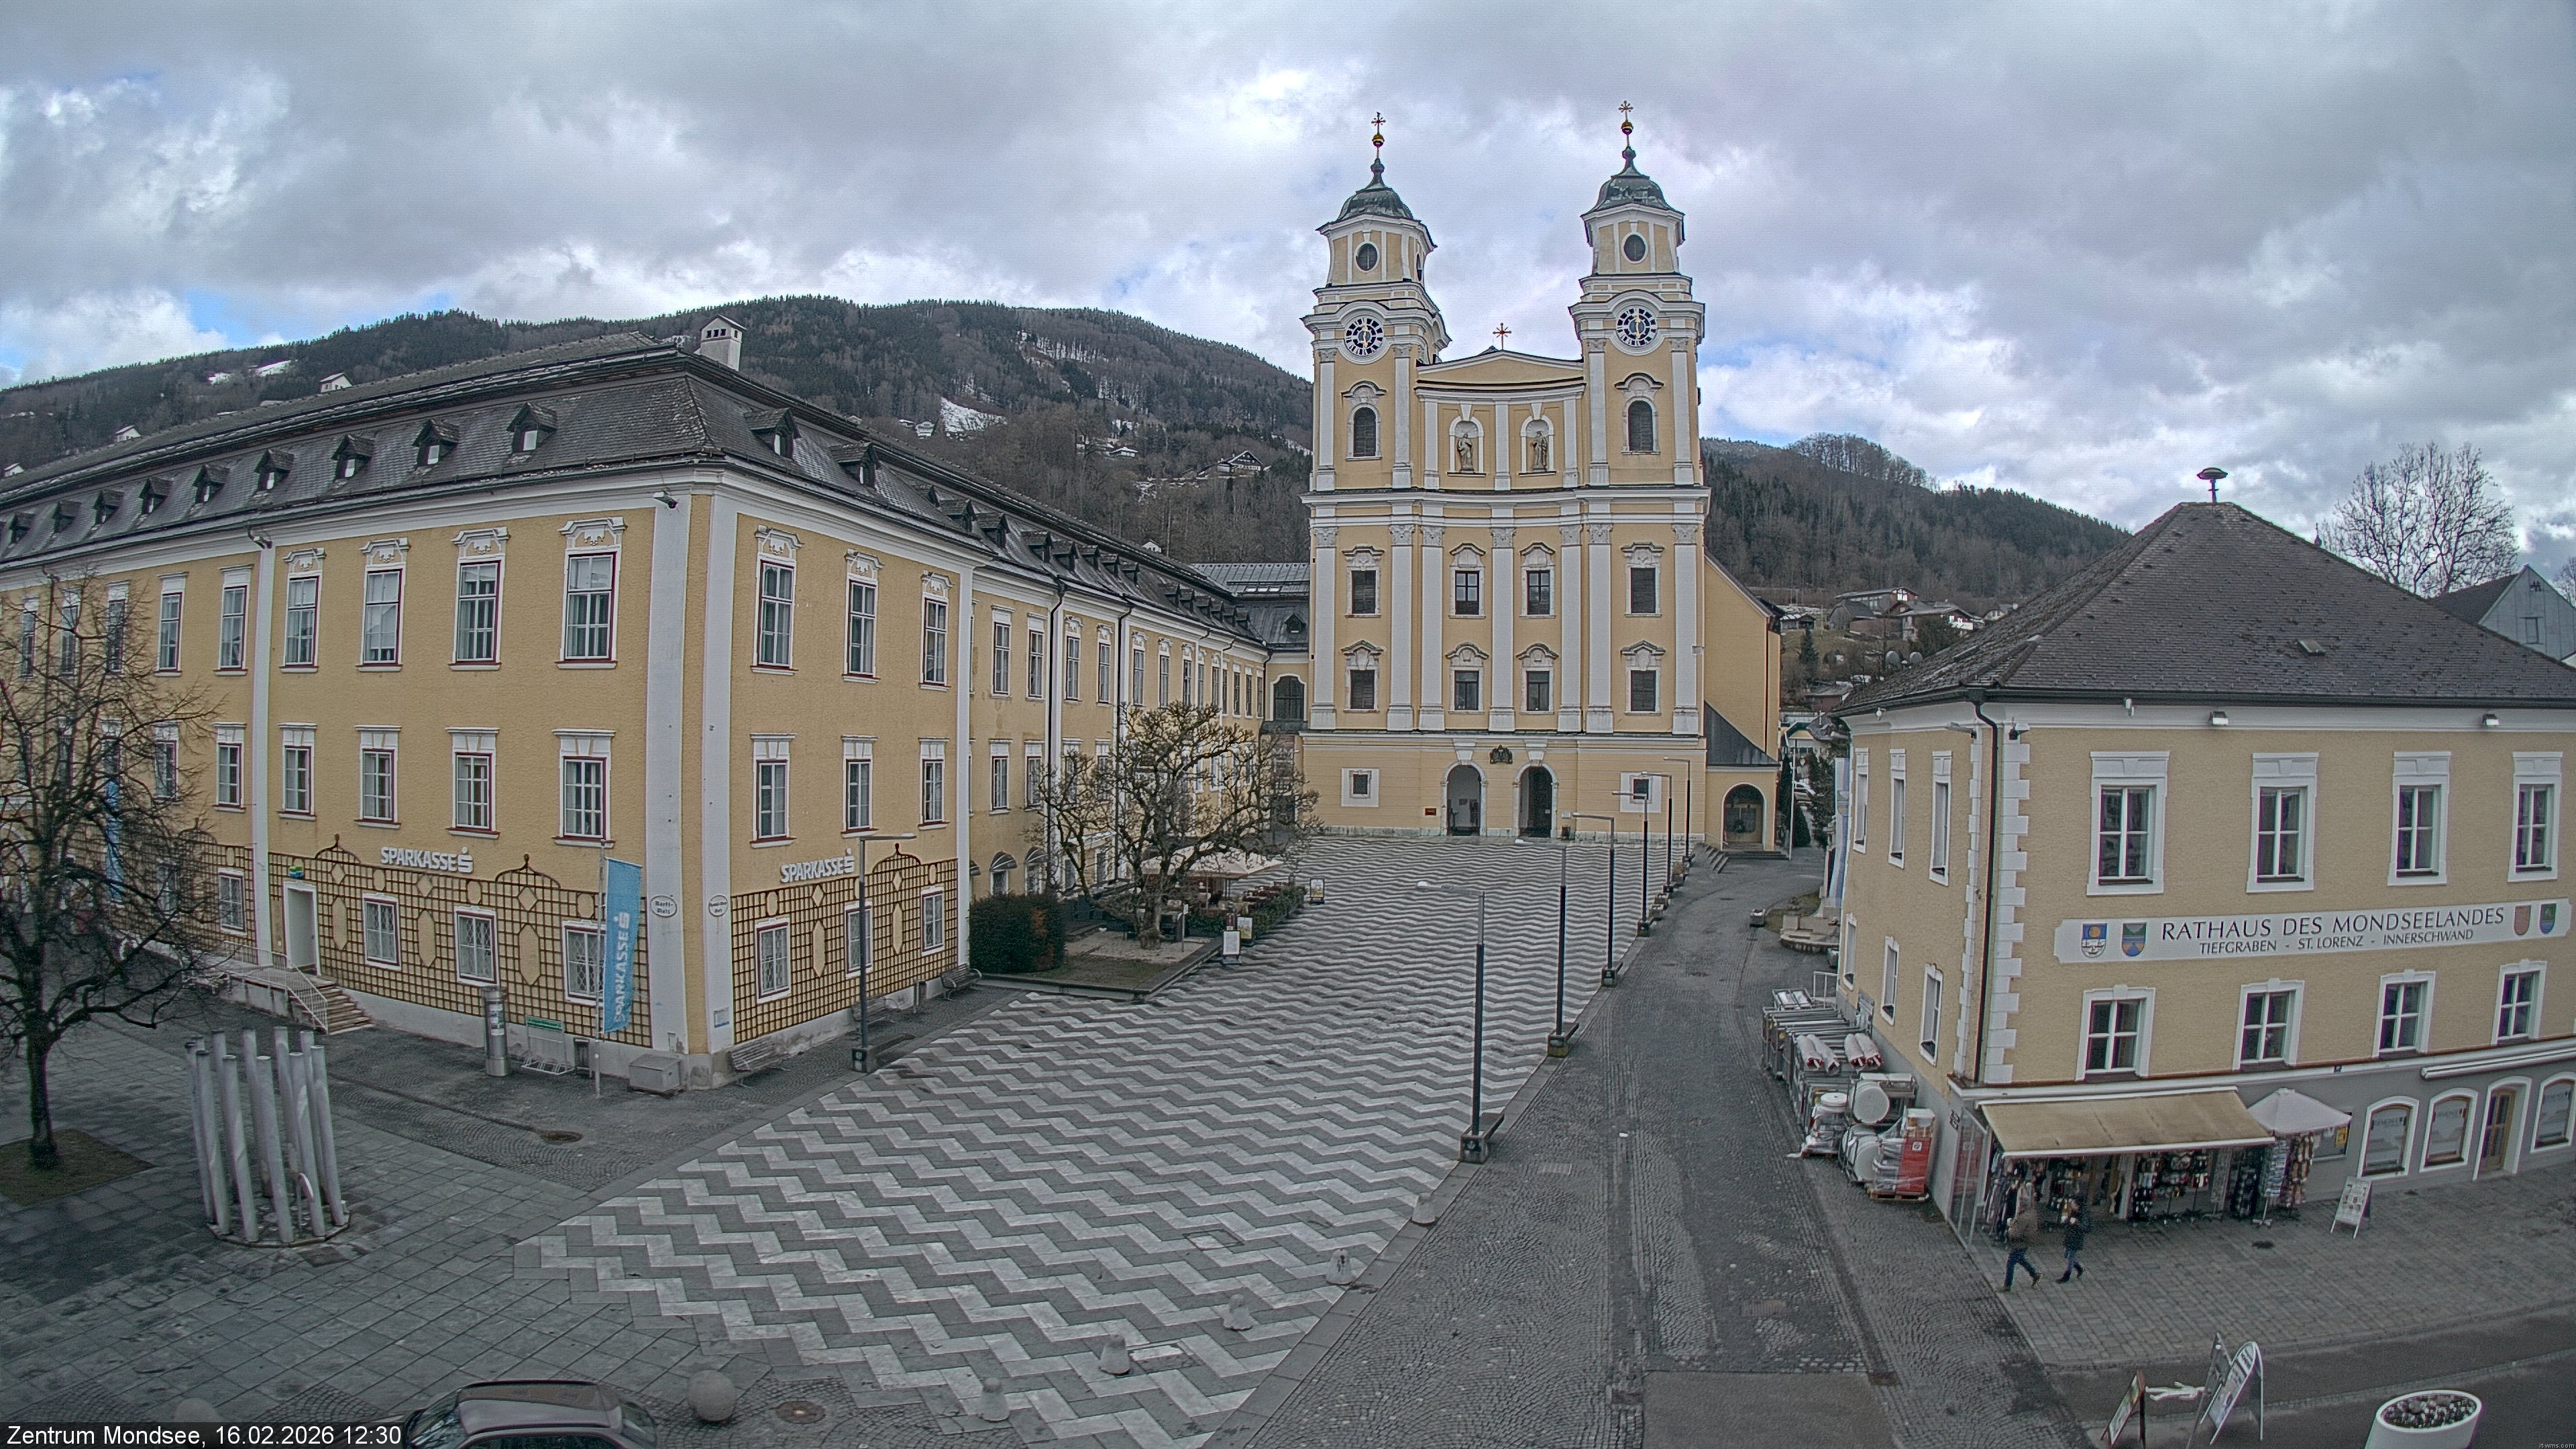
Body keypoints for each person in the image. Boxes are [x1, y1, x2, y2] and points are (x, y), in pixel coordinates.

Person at [2002, 1193, 2041, 1291]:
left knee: (2010, 1264)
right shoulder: (2030, 1214)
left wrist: (2009, 1231)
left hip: (2019, 1243)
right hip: (2024, 1243)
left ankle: (2007, 1285)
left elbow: (2016, 1233)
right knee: (2020, 1259)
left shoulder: (2024, 1217)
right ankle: (2034, 1274)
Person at [2057, 1204, 2090, 1283]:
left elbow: (2087, 1228)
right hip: (2069, 1237)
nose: (2072, 1205)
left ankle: (2067, 1276)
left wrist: (2077, 1223)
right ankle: (2079, 1268)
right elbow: (2067, 1223)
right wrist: (2066, 1220)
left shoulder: (2084, 1215)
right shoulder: (2072, 1212)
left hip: (2076, 1240)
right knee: (2066, 1256)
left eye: (2074, 1204)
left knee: (2071, 1258)